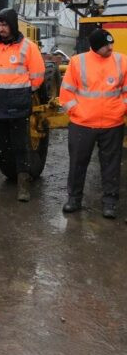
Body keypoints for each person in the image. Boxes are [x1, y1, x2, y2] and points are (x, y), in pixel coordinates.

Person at [0, 8, 45, 202]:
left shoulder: (28, 47)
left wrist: (22, 92)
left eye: (5, 25)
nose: (2, 29)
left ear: (12, 24)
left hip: (18, 103)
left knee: (20, 146)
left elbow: (37, 76)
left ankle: (23, 186)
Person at [59, 29, 127, 219]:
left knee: (111, 166)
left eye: (111, 44)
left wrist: (121, 109)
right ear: (96, 46)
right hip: (82, 124)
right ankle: (74, 199)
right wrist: (78, 112)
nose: (110, 48)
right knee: (77, 163)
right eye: (106, 45)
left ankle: (110, 203)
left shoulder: (122, 61)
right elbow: (66, 94)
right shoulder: (77, 62)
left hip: (112, 124)